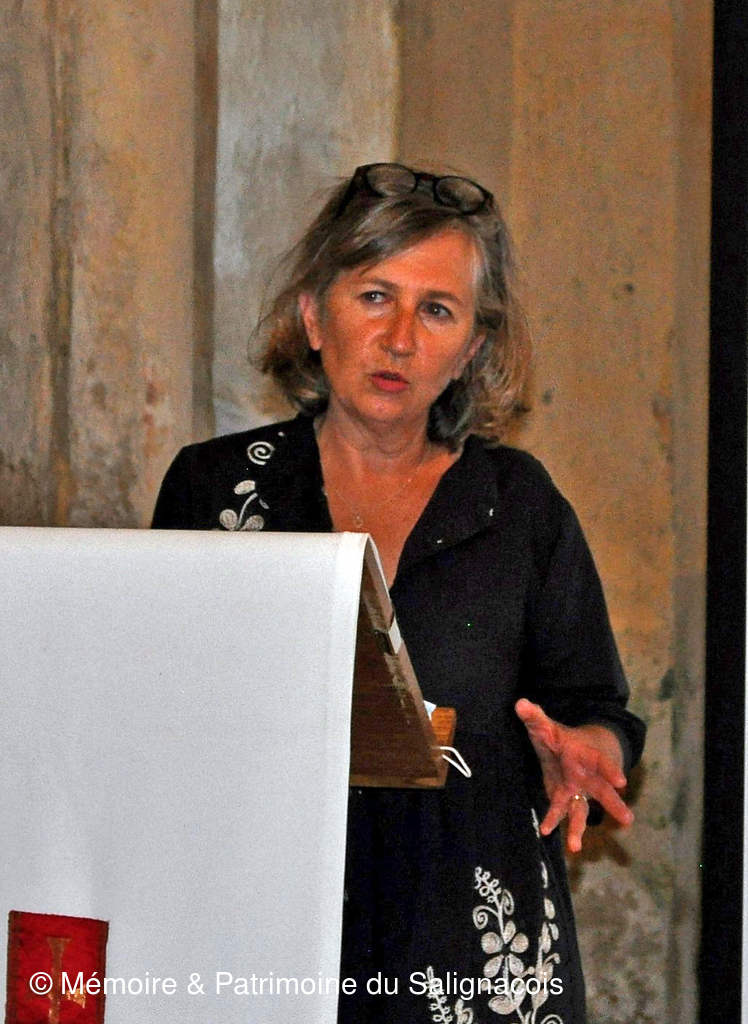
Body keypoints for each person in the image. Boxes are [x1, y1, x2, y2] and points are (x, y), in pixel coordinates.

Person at [153, 162, 645, 1023]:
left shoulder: (519, 506)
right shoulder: (217, 489)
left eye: (438, 310)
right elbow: (154, 707)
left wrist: (585, 749)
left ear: (472, 352)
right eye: (375, 296)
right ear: (314, 315)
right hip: (259, 935)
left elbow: (597, 708)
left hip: (473, 957)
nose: (401, 338)